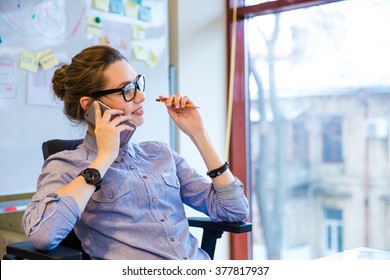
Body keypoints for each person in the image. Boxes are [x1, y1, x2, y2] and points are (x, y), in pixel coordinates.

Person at [21, 45, 249, 260]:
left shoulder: (159, 154)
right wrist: (103, 159)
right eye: (127, 90)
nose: (141, 97)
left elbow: (235, 211)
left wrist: (198, 134)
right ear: (90, 105)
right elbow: (43, 235)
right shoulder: (65, 165)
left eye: (137, 84)